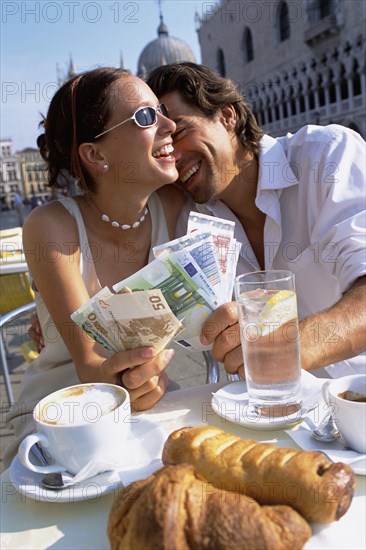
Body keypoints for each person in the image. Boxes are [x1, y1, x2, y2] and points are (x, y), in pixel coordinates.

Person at [3, 66, 184, 468]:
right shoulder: (52, 226)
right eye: (146, 117)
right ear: (95, 154)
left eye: (163, 111)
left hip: (155, 398)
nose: (171, 125)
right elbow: (94, 369)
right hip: (59, 419)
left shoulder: (175, 205)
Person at [146, 62, 366, 381]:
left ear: (227, 116)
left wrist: (284, 349)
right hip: (267, 415)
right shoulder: (188, 219)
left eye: (179, 133)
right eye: (162, 150)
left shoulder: (326, 155)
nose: (174, 157)